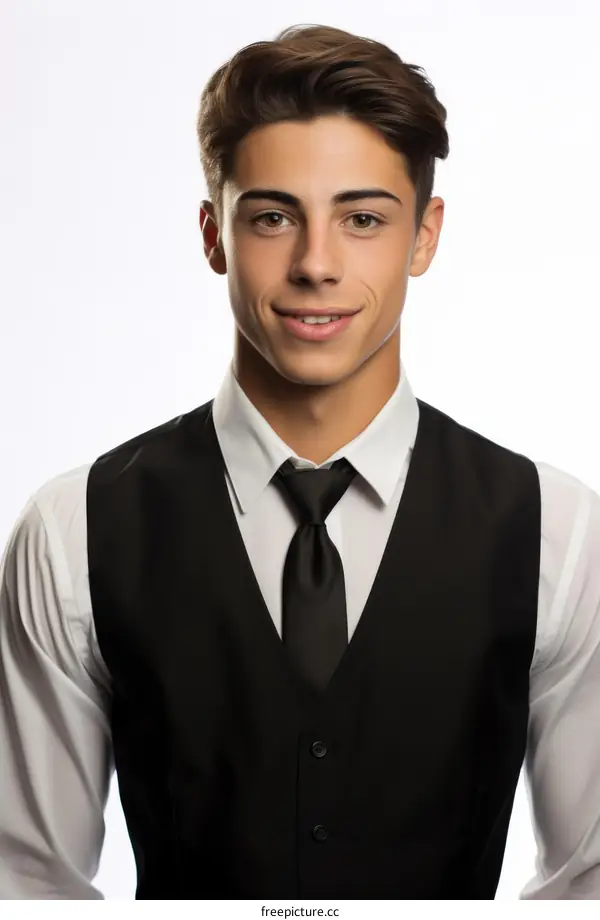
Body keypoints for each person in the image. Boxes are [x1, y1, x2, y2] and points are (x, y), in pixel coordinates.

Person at [1, 22, 599, 901]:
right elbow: (25, 883)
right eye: (274, 217)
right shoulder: (73, 530)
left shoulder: (558, 532)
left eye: (362, 219)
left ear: (424, 237)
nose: (316, 265)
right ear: (214, 236)